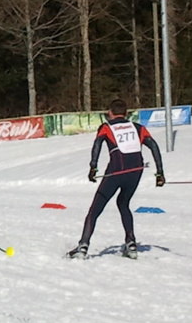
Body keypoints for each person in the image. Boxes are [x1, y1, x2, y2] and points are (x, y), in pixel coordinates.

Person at [68, 98, 165, 259]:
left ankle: (83, 246)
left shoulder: (106, 127)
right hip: (135, 171)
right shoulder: (138, 128)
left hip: (115, 172)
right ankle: (131, 243)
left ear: (110, 113)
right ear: (126, 113)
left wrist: (93, 167)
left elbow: (97, 145)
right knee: (123, 203)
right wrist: (160, 172)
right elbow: (154, 146)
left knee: (95, 209)